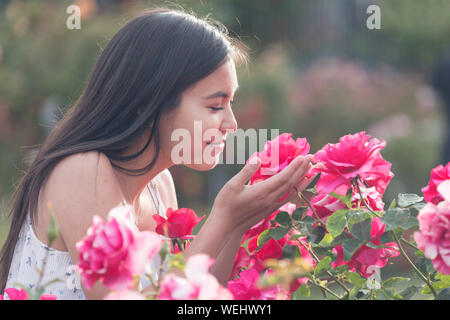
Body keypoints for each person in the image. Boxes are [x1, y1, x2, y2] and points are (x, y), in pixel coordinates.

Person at [0, 8, 316, 300]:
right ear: (149, 102)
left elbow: (197, 297)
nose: (231, 124)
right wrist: (222, 218)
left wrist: (237, 223)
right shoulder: (82, 170)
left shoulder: (158, 184)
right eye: (215, 106)